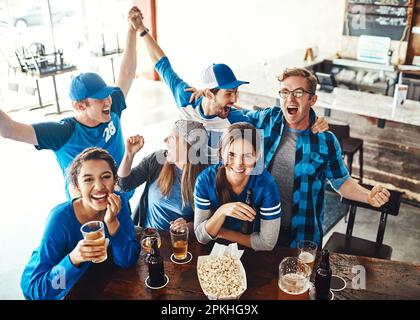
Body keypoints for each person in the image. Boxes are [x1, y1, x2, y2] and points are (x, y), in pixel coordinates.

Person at [129, 6, 328, 163]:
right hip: (182, 177)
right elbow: (162, 65)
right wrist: (140, 30)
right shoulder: (186, 97)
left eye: (235, 93)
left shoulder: (236, 118)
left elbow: (275, 117)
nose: (234, 99)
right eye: (229, 93)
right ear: (208, 93)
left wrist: (311, 118)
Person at [0, 7, 144, 198]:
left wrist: (132, 30)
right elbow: (9, 129)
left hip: (120, 199)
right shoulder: (61, 133)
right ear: (79, 105)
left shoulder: (113, 107)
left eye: (107, 95)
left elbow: (126, 73)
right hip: (86, 210)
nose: (108, 100)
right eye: (100, 98)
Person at [245, 67, 391, 248]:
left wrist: (368, 196)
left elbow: (343, 183)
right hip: (257, 229)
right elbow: (232, 115)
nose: (290, 99)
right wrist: (202, 99)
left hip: (301, 236)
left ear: (312, 99)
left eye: (298, 93)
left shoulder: (326, 141)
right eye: (284, 92)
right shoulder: (266, 119)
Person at [21, 148, 141, 300]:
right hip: (56, 288)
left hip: (93, 277)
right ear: (77, 187)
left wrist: (112, 222)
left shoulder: (117, 202)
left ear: (114, 181)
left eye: (106, 177)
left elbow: (127, 260)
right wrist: (73, 259)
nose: (99, 187)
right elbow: (38, 290)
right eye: (88, 179)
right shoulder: (60, 219)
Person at [194, 122, 282, 251]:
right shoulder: (205, 180)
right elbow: (201, 237)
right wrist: (222, 211)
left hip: (252, 252)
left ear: (257, 156)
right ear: (221, 153)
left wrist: (221, 232)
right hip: (212, 251)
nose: (238, 163)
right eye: (231, 154)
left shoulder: (266, 185)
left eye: (247, 156)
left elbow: (267, 243)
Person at [118, 120, 208, 230]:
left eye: (172, 138)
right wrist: (129, 154)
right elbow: (123, 185)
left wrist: (188, 226)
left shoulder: (206, 177)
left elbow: (210, 218)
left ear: (188, 147)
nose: (165, 140)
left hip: (178, 242)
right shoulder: (157, 160)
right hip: (148, 238)